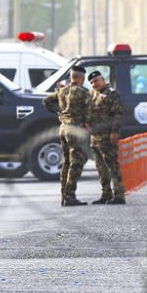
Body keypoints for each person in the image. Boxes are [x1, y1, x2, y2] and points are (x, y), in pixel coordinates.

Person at [42, 65, 91, 206]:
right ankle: (70, 196)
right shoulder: (83, 92)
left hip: (63, 128)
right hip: (75, 129)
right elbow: (91, 111)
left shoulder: (61, 91)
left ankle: (64, 195)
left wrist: (60, 113)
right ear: (81, 78)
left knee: (67, 162)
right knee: (77, 163)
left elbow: (46, 101)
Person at [87, 70, 126, 205]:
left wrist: (115, 132)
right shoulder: (92, 94)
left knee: (112, 166)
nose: (94, 84)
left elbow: (118, 114)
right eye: (91, 82)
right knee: (100, 168)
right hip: (95, 137)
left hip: (108, 137)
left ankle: (119, 195)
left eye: (96, 81)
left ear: (103, 80)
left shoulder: (112, 94)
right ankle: (106, 193)